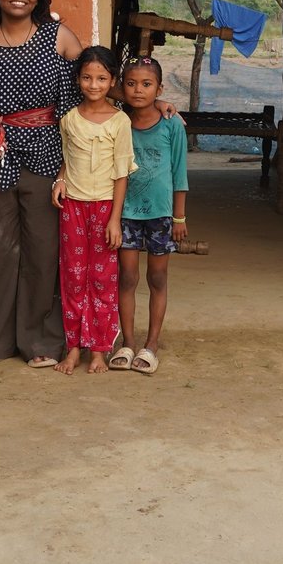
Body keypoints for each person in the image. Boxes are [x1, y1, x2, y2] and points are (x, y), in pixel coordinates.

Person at [0, 0, 84, 367]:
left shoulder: (58, 37)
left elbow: (92, 89)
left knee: (42, 251)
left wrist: (156, 104)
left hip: (47, 156)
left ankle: (40, 344)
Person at [53, 47, 135, 375]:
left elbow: (121, 173)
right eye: (87, 77)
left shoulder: (120, 121)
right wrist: (59, 179)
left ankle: (100, 349)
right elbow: (66, 159)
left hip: (104, 208)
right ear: (78, 80)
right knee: (73, 278)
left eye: (102, 78)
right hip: (72, 205)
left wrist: (115, 219)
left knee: (102, 280)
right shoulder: (69, 119)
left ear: (112, 81)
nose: (94, 84)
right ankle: (73, 348)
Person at [112, 55, 187, 375]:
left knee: (157, 278)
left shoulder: (172, 124)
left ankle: (152, 344)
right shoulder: (118, 122)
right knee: (127, 278)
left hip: (160, 214)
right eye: (130, 84)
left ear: (160, 87)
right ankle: (127, 343)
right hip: (126, 213)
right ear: (121, 87)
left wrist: (179, 218)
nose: (138, 90)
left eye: (146, 84)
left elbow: (179, 173)